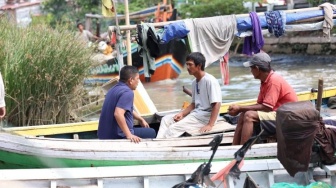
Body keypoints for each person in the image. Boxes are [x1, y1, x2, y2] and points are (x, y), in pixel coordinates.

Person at [228, 52, 298, 145]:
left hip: (287, 117)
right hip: (277, 113)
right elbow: (260, 105)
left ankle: (243, 153)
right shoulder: (264, 81)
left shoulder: (274, 81)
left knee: (249, 115)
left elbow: (266, 107)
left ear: (257, 69)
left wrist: (240, 107)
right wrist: (240, 109)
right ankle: (235, 148)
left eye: (251, 68)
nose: (250, 71)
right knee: (243, 114)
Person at [156, 52, 222, 138]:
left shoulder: (210, 81)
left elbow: (217, 104)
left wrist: (210, 125)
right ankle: (158, 143)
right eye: (187, 64)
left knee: (172, 129)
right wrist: (182, 114)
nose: (187, 67)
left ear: (199, 66)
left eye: (190, 65)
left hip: (205, 117)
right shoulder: (195, 82)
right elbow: (194, 103)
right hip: (196, 114)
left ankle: (163, 147)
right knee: (166, 120)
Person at [98, 66, 156, 143]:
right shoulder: (127, 92)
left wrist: (140, 119)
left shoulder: (113, 89)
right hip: (117, 136)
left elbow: (127, 109)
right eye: (137, 78)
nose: (138, 81)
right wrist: (129, 135)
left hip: (103, 135)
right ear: (131, 80)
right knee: (152, 132)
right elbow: (118, 114)